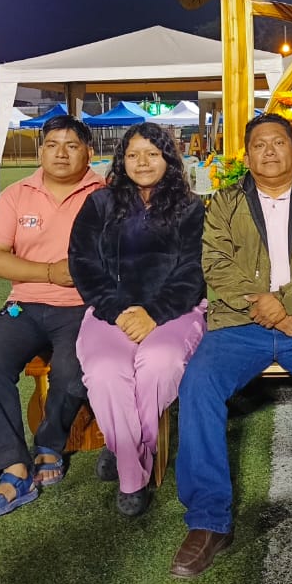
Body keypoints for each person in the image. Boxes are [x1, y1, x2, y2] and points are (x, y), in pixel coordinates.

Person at [170, 113, 292, 578]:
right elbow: (215, 262)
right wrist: (268, 307)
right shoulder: (224, 201)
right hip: (241, 321)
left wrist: (287, 303)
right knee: (198, 385)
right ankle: (208, 521)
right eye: (259, 144)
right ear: (247, 155)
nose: (270, 151)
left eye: (279, 142)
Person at [68, 124, 206, 517]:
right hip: (112, 312)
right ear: (121, 160)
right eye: (133, 155)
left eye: (152, 154)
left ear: (168, 158)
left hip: (174, 313)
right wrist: (117, 311)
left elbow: (193, 270)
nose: (142, 162)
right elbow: (83, 264)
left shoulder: (191, 207)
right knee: (105, 372)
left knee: (159, 365)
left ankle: (123, 451)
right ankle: (133, 476)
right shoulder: (99, 203)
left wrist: (155, 314)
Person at [0, 115, 104, 519]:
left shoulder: (105, 195)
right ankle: (14, 468)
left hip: (83, 306)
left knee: (70, 367)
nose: (61, 153)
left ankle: (49, 443)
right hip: (24, 304)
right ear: (40, 151)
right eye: (52, 145)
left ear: (88, 153)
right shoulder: (16, 195)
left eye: (72, 145)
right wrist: (48, 272)